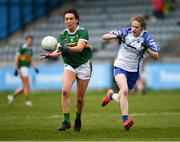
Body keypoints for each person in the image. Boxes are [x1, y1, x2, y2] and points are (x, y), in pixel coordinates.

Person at [101, 16, 160, 131]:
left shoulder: (147, 38)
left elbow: (156, 56)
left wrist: (147, 48)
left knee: (121, 96)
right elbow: (104, 36)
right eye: (132, 26)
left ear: (142, 28)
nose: (133, 29)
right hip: (120, 66)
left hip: (134, 71)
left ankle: (111, 95)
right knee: (124, 90)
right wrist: (117, 36)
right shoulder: (125, 32)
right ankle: (126, 121)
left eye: (136, 27)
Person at [40, 8, 92, 132]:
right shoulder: (62, 35)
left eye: (71, 19)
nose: (68, 21)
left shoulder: (83, 32)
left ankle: (78, 118)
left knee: (79, 99)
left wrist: (65, 49)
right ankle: (66, 121)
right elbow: (59, 50)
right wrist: (52, 55)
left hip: (84, 65)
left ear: (77, 20)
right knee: (65, 91)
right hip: (70, 65)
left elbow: (79, 48)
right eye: (66, 19)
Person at [7, 35, 39, 107]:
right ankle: (27, 101)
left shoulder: (30, 50)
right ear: (26, 40)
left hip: (26, 68)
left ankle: (11, 97)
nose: (30, 42)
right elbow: (16, 58)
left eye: (31, 41)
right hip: (22, 68)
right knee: (26, 85)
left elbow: (30, 60)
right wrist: (16, 68)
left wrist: (35, 68)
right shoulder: (22, 48)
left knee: (25, 86)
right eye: (29, 40)